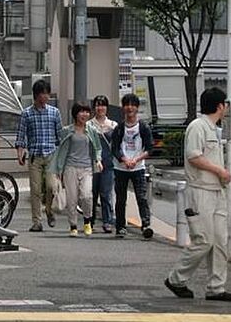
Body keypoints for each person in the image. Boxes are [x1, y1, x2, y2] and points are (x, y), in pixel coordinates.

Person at [165, 87, 231, 301]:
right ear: (220, 106)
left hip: (217, 191)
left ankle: (216, 287)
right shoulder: (198, 126)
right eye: (226, 104)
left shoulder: (214, 129)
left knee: (220, 241)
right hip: (200, 191)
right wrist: (220, 171)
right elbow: (194, 156)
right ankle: (176, 279)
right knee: (203, 240)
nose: (227, 108)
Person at [16, 79, 62, 232]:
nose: (46, 96)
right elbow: (21, 135)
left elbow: (60, 136)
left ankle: (49, 209)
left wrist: (61, 157)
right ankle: (37, 221)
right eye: (43, 93)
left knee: (51, 187)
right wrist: (20, 152)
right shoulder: (26, 113)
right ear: (36, 95)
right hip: (34, 156)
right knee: (35, 190)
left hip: (51, 155)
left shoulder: (54, 112)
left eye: (47, 93)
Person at [50, 102, 102, 236]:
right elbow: (60, 150)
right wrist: (58, 170)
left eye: (87, 112)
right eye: (81, 112)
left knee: (87, 195)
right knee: (72, 199)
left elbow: (97, 147)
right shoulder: (67, 130)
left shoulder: (91, 130)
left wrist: (98, 160)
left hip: (87, 168)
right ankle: (73, 225)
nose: (84, 115)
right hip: (70, 168)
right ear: (75, 114)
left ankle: (87, 221)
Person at [110, 93, 154, 239]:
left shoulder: (143, 127)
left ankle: (146, 224)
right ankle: (120, 226)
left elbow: (149, 148)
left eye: (132, 105)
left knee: (141, 197)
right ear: (123, 107)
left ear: (137, 107)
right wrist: (124, 160)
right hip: (121, 168)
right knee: (121, 199)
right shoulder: (119, 128)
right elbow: (114, 148)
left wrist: (136, 160)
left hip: (138, 167)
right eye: (127, 105)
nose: (130, 108)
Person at [87, 95, 117, 233]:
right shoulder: (89, 125)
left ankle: (107, 221)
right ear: (94, 107)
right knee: (91, 193)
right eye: (98, 105)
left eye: (103, 105)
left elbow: (117, 145)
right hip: (92, 163)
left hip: (108, 163)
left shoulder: (114, 125)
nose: (100, 108)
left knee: (106, 193)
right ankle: (90, 221)